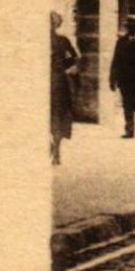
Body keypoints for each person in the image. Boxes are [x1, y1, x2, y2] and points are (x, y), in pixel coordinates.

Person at [50, 12, 79, 165]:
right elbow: (73, 60)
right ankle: (55, 151)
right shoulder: (62, 41)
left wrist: (68, 69)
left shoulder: (62, 41)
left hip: (55, 83)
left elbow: (73, 59)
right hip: (57, 83)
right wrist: (69, 69)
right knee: (58, 117)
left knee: (55, 117)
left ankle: (55, 151)